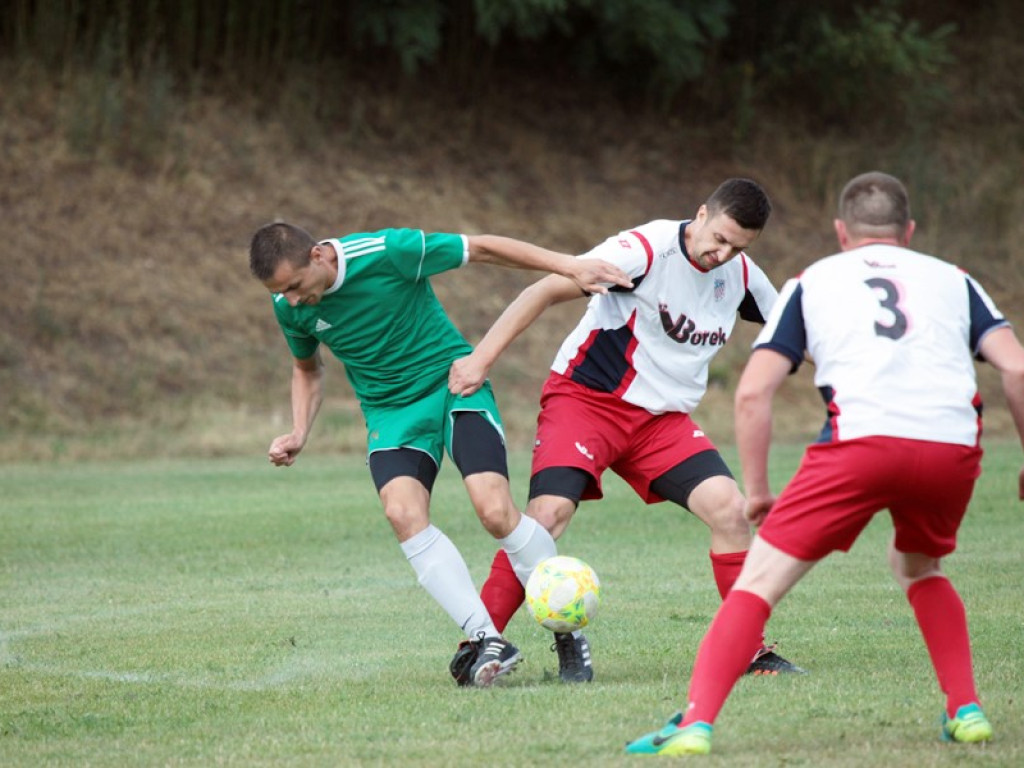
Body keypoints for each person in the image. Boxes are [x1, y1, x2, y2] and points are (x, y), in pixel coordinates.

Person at [625, 171, 1024, 755]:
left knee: (757, 583)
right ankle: (966, 708)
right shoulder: (954, 279)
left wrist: (757, 489)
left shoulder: (812, 282)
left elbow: (753, 393)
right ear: (907, 231)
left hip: (859, 446)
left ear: (841, 232)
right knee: (919, 567)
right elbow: (1014, 368)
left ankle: (694, 723)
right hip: (951, 447)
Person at [448, 178, 804, 683]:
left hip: (661, 424)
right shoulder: (645, 250)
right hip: (587, 401)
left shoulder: (741, 275)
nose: (721, 254)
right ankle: (479, 643)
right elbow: (545, 289)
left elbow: (796, 333)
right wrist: (480, 360)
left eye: (736, 247)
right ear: (701, 213)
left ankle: (749, 649)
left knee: (729, 509)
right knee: (546, 516)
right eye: (719, 238)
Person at [248, 223, 631, 687]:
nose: (289, 300)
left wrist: (569, 264)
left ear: (318, 257)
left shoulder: (390, 251)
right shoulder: (290, 309)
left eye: (293, 286)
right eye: (279, 292)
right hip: (391, 415)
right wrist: (298, 430)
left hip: (454, 385)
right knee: (402, 513)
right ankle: (487, 638)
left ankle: (567, 633)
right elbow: (306, 369)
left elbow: (485, 246)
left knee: (494, 510)